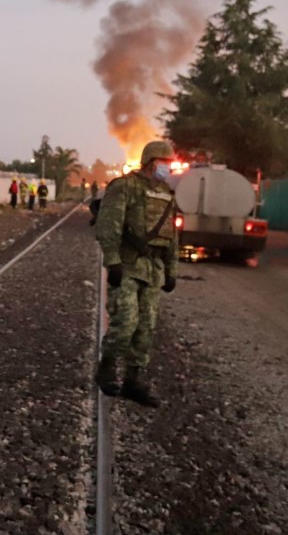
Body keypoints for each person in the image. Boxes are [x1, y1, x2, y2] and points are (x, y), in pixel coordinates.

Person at [94, 141, 179, 408]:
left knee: (145, 330)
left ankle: (134, 381)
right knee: (126, 323)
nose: (168, 168)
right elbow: (109, 225)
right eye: (165, 163)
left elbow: (172, 237)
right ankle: (107, 368)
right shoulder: (124, 187)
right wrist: (113, 261)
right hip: (128, 266)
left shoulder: (167, 194)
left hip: (153, 272)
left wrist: (171, 271)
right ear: (152, 162)